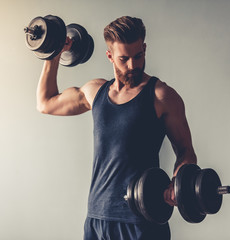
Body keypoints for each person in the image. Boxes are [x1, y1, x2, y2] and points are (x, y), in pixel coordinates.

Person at [37, 16, 197, 240]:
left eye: (138, 56)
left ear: (144, 48)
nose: (133, 65)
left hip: (142, 221)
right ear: (110, 56)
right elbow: (46, 103)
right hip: (97, 218)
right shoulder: (96, 92)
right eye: (124, 59)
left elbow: (186, 151)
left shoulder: (161, 96)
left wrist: (177, 184)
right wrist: (54, 52)